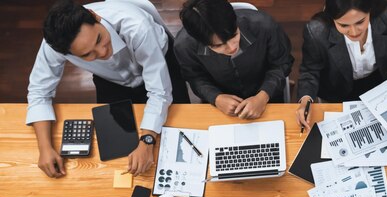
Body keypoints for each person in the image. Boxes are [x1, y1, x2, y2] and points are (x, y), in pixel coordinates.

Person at [27, 0, 189, 179]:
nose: (102, 53)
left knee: (179, 133)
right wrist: (45, 148)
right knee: (115, 148)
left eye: (98, 39)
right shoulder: (56, 46)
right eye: (87, 54)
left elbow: (159, 92)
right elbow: (39, 91)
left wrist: (147, 140)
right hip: (112, 81)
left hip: (160, 63)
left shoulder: (137, 26)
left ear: (96, 17)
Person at [296, 0, 387, 130]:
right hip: (338, 88)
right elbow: (310, 71)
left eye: (360, 22)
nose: (354, 32)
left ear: (370, 10)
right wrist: (305, 99)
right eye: (344, 25)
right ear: (332, 19)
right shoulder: (316, 32)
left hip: (381, 79)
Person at [175, 0, 294, 119]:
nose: (232, 48)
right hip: (221, 102)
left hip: (267, 93)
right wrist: (216, 98)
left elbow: (281, 64)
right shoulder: (184, 46)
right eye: (218, 45)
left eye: (234, 35)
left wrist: (263, 96)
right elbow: (195, 77)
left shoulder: (265, 26)